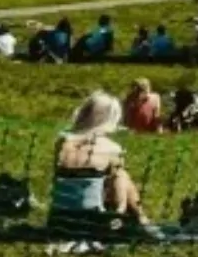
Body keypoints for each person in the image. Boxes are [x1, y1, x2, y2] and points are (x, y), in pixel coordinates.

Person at [51, 91, 144, 238]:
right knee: (122, 176)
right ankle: (133, 217)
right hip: (92, 222)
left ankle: (137, 217)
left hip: (59, 218)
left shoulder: (62, 142)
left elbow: (56, 176)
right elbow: (118, 188)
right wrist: (120, 207)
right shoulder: (112, 148)